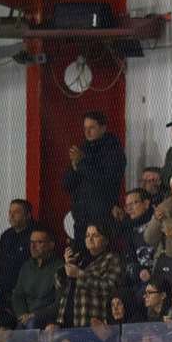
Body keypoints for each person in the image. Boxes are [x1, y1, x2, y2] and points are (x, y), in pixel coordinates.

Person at [63, 111, 126, 244]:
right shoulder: (82, 150)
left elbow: (105, 181)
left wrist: (82, 163)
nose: (87, 132)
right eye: (85, 128)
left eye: (92, 128)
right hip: (81, 217)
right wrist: (74, 168)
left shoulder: (113, 151)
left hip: (102, 218)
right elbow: (66, 185)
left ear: (103, 128)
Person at [56, 223, 124, 328]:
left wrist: (79, 274)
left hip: (90, 321)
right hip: (66, 320)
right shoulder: (80, 260)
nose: (90, 239)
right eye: (87, 235)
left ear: (105, 240)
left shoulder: (112, 259)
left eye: (95, 235)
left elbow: (110, 287)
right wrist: (66, 266)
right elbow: (59, 286)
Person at [0, 199, 35, 307]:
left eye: (16, 212)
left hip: (24, 290)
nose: (11, 215)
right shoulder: (6, 235)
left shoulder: (36, 234)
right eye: (10, 212)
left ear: (27, 215)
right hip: (2, 289)